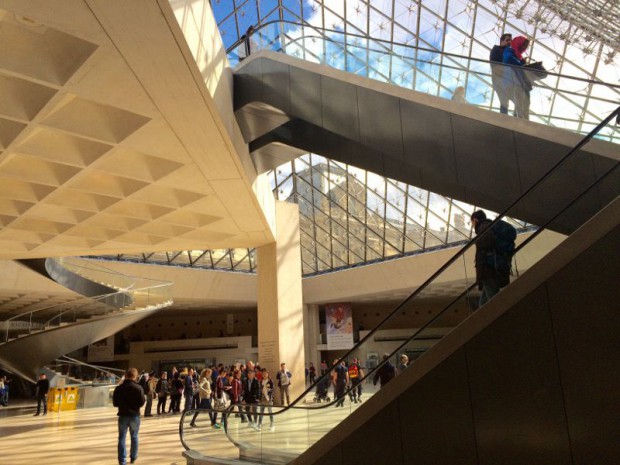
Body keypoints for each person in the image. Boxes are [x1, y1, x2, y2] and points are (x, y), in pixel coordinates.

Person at [471, 210, 516, 306]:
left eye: (472, 222)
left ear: (475, 220)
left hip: (488, 269)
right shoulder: (491, 226)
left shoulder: (483, 227)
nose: (472, 225)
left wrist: (478, 242)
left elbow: (487, 241)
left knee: (493, 299)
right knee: (483, 303)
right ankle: (483, 318)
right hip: (494, 267)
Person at [113, 368, 145, 465]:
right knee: (134, 437)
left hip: (122, 415)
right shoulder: (138, 388)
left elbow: (115, 403)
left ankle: (122, 460)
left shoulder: (118, 388)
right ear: (135, 376)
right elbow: (142, 402)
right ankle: (133, 457)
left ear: (126, 375)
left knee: (121, 438)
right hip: (134, 416)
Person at [503, 35, 532, 119]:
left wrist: (522, 63)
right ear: (518, 44)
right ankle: (519, 119)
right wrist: (521, 63)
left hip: (520, 82)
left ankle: (523, 119)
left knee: (526, 100)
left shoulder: (518, 56)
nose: (523, 49)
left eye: (525, 47)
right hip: (512, 81)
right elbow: (509, 60)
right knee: (520, 100)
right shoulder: (509, 51)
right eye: (522, 46)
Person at [489, 33, 512, 114]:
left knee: (505, 100)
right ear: (502, 41)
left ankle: (505, 116)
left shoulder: (509, 52)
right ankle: (504, 117)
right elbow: (494, 63)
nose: (510, 42)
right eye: (507, 40)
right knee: (504, 100)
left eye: (510, 40)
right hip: (499, 78)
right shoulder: (496, 49)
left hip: (506, 78)